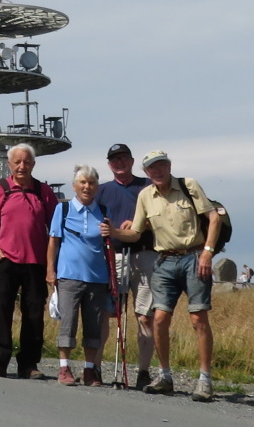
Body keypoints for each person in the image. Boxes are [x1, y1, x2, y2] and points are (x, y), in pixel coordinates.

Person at [100, 150, 221, 402]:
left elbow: (213, 218)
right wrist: (113, 232)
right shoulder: (145, 195)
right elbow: (135, 232)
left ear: (168, 166)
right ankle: (165, 375)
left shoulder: (188, 185)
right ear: (146, 172)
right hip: (164, 260)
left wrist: (208, 252)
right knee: (158, 319)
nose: (156, 171)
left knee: (198, 318)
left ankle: (204, 379)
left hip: (194, 257)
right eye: (151, 168)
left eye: (160, 166)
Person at [0, 143, 58, 379]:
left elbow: (54, 229)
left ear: (33, 164)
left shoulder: (43, 192)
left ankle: (28, 364)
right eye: (17, 162)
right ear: (9, 164)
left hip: (36, 261)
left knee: (34, 313)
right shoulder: (1, 189)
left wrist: (52, 264)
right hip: (6, 260)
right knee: (1, 310)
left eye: (26, 162)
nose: (22, 166)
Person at [94, 143, 158, 390]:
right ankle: (96, 367)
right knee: (108, 314)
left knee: (145, 316)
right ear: (109, 164)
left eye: (123, 158)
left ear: (132, 161)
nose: (119, 163)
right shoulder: (101, 191)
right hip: (113, 255)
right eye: (114, 160)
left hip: (144, 255)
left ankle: (143, 371)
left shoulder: (147, 187)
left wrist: (140, 225)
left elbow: (158, 217)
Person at [46, 165, 109, 387]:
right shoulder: (62, 210)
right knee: (68, 323)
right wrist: (50, 271)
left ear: (96, 187)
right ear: (74, 186)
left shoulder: (103, 211)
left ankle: (90, 371)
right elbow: (53, 242)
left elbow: (108, 243)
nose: (87, 187)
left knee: (93, 326)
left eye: (91, 183)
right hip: (69, 276)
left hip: (97, 278)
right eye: (82, 182)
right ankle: (64, 368)